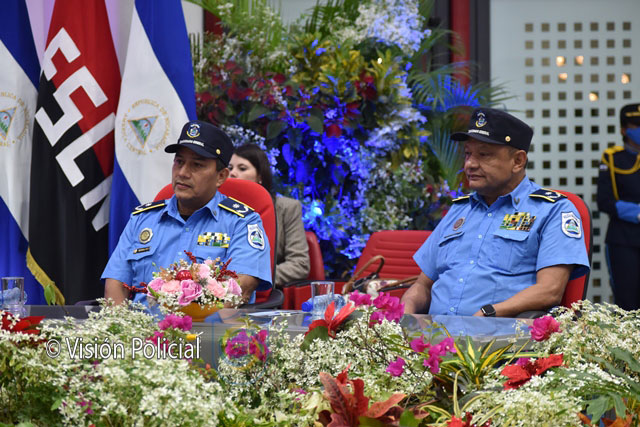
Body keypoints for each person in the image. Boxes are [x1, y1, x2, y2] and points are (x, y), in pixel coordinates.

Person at [402, 107, 590, 317]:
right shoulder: (459, 210)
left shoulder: (552, 210)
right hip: (434, 333)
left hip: (498, 333)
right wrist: (404, 313)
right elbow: (423, 285)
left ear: (518, 161)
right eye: (468, 153)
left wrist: (489, 313)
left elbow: (550, 291)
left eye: (484, 155)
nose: (470, 164)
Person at [103, 121, 272, 305]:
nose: (182, 173)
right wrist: (118, 321)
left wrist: (189, 322)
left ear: (221, 176)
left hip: (208, 323)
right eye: (179, 162)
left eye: (197, 165)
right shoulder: (142, 219)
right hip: (144, 322)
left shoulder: (242, 223)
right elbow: (116, 283)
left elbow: (241, 287)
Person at [228, 144, 310, 287]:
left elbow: (299, 264)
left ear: (260, 177)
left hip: (266, 292)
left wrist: (255, 278)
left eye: (242, 168)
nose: (232, 173)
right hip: (219, 291)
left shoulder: (287, 208)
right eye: (230, 168)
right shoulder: (216, 208)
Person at [597, 103, 640, 311]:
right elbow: (604, 201)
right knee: (626, 302)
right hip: (624, 239)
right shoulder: (613, 158)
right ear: (623, 129)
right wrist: (637, 213)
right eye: (636, 125)